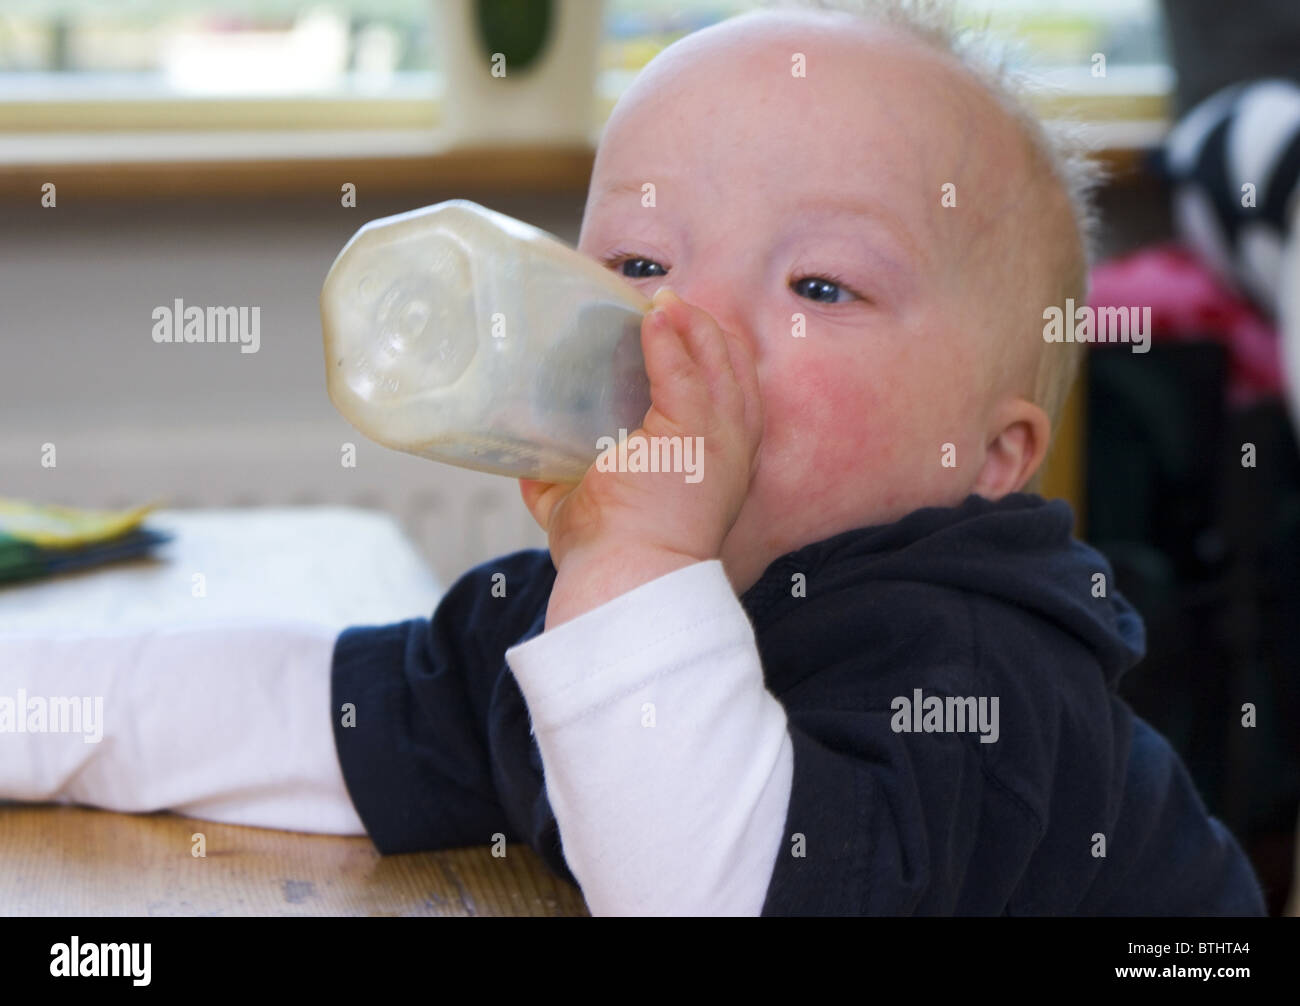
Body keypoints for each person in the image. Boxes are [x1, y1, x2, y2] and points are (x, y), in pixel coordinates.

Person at [0, 0, 1267, 916]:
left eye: (819, 282)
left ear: (993, 457)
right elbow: (302, 713)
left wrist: (640, 561)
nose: (682, 325)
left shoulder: (979, 677)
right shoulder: (603, 606)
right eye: (642, 265)